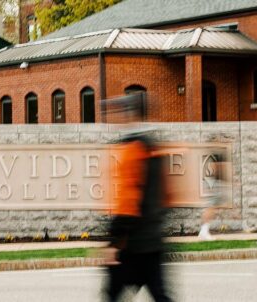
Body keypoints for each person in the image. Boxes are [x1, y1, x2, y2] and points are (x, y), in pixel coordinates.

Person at [103, 93, 172, 302]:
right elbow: (167, 196)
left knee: (112, 294)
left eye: (119, 114)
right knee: (160, 295)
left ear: (129, 116)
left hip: (133, 244)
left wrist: (114, 242)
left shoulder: (132, 150)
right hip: (153, 239)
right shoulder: (154, 148)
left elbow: (128, 197)